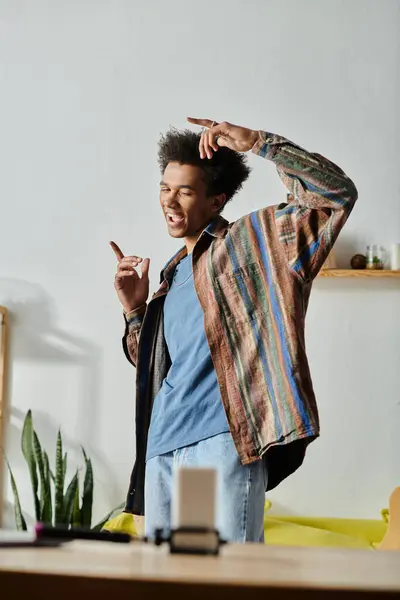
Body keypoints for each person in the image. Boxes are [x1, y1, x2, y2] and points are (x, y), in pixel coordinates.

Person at [111, 117, 358, 543]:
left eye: (185, 191)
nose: (170, 200)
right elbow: (163, 370)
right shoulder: (171, 277)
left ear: (215, 201)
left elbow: (335, 196)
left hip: (219, 442)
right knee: (173, 581)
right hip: (164, 444)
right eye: (165, 188)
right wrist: (136, 311)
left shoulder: (253, 245)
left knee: (226, 579)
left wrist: (261, 144)